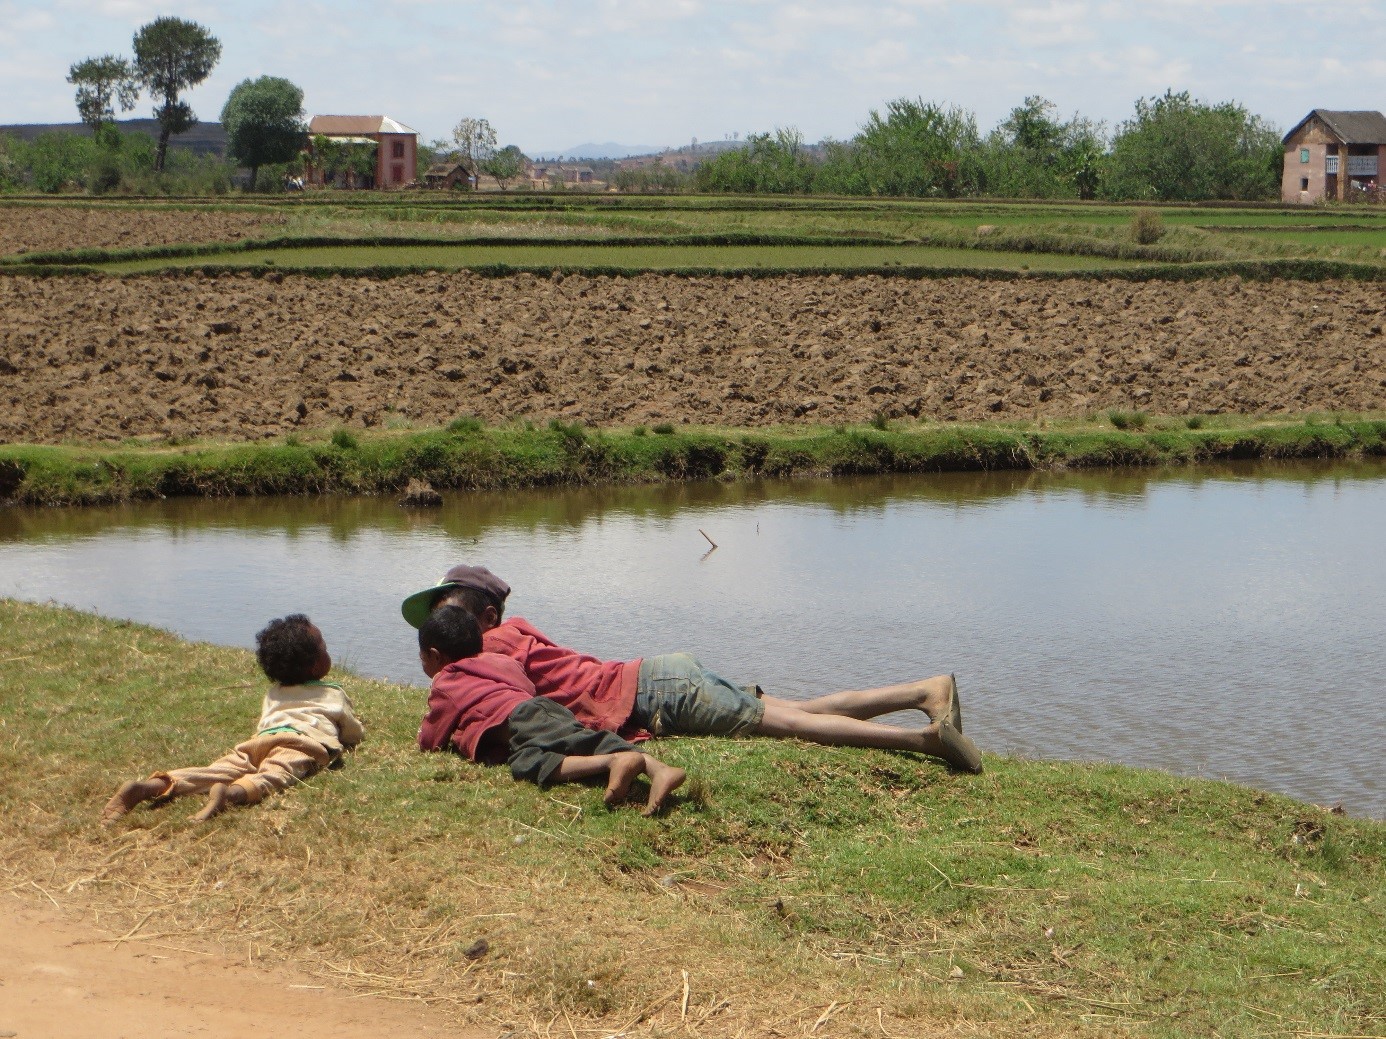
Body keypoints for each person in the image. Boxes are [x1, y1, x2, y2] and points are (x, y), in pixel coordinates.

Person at [401, 565, 982, 773]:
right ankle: (924, 691)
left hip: (660, 694)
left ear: (484, 615)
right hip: (662, 677)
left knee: (790, 726)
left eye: (448, 614)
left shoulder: (495, 647)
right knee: (790, 711)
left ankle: (924, 741)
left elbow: (512, 703)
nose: (440, 629)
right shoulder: (517, 630)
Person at [417, 605, 685, 815]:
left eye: (422, 658)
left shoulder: (446, 680)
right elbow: (524, 684)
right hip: (539, 709)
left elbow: (432, 737)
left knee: (547, 755)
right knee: (553, 749)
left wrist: (425, 739)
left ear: (434, 655)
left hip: (521, 719)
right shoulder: (498, 661)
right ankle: (649, 766)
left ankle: (622, 762)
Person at [101, 615, 363, 825]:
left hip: (259, 743)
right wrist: (354, 738)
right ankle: (231, 795)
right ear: (317, 666)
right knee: (276, 773)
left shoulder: (274, 693)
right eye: (324, 648)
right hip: (299, 744)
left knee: (216, 770)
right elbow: (351, 732)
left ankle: (152, 786)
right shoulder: (333, 693)